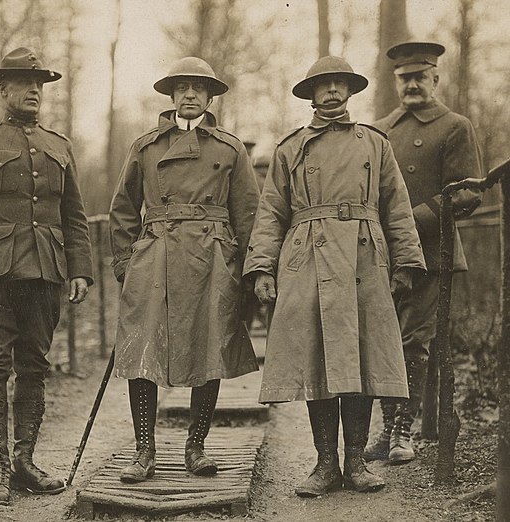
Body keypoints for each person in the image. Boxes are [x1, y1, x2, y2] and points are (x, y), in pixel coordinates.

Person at [243, 56, 426, 497]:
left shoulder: (374, 143)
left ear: (350, 90)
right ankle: (325, 464)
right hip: (308, 255)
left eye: (339, 84)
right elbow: (270, 212)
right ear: (311, 94)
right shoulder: (291, 148)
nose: (331, 92)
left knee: (361, 359)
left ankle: (357, 462)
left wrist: (405, 262)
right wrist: (262, 266)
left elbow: (396, 205)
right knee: (317, 358)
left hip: (365, 257)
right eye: (322, 86)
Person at [0, 47, 93, 505]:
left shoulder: (59, 145)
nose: (34, 91)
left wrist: (80, 271)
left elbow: (74, 216)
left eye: (40, 84)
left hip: (46, 271)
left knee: (35, 366)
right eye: (23, 82)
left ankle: (25, 462)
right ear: (2, 89)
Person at [109, 57, 259, 483]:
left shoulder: (229, 148)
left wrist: (250, 271)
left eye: (198, 88)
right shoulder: (145, 146)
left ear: (210, 97)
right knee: (142, 350)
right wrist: (126, 263)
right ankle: (144, 451)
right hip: (154, 256)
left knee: (211, 346)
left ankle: (196, 446)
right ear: (171, 96)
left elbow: (248, 213)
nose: (190, 95)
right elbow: (121, 208)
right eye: (182, 88)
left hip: (213, 257)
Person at [365, 42, 483, 464]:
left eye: (420, 76)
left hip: (432, 253)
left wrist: (412, 219)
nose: (412, 84)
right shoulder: (378, 129)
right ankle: (384, 429)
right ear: (396, 81)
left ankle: (402, 432)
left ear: (435, 78)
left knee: (415, 341)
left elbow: (470, 192)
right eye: (404, 78)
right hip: (383, 255)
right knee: (383, 340)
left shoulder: (454, 126)